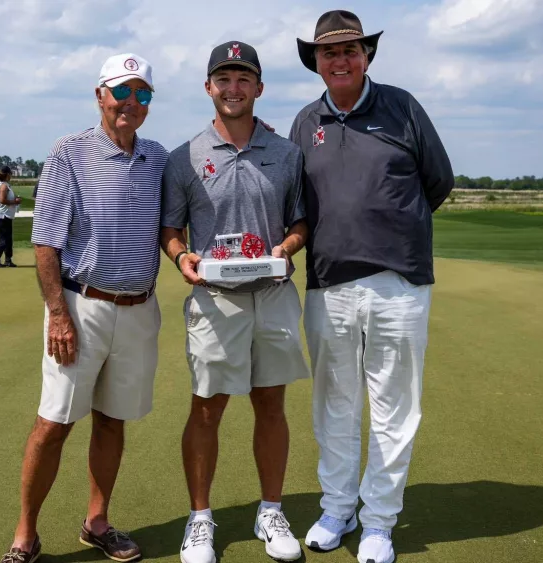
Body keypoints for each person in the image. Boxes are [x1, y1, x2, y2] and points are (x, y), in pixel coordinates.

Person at [288, 10, 455, 563]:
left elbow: (439, 180)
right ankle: (338, 508)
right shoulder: (304, 120)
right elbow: (297, 202)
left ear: (367, 56)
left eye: (350, 50)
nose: (340, 59)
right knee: (335, 405)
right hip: (329, 282)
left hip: (398, 281)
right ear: (316, 61)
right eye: (329, 52)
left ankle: (380, 521)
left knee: (393, 407)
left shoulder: (402, 107)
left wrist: (391, 226)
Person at [0, 53, 168, 563]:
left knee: (113, 420)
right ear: (100, 95)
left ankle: (97, 522)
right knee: (54, 422)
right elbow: (45, 241)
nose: (131, 103)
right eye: (122, 91)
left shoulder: (160, 157)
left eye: (143, 94)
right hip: (81, 304)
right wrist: (57, 313)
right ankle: (25, 535)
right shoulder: (68, 152)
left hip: (139, 308)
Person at [161, 41, 310, 563]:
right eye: (223, 79)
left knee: (271, 403)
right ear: (208, 88)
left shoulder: (288, 154)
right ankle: (200, 520)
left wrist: (286, 248)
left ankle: (271, 510)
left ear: (259, 88)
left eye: (243, 78)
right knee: (207, 408)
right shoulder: (185, 158)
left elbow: (299, 221)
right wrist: (182, 259)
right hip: (215, 298)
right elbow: (171, 229)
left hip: (272, 294)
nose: (233, 88)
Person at [0, 165, 21, 268]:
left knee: (8, 239)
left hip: (6, 216)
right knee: (4, 239)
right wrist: (15, 202)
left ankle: (8, 260)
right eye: (10, 174)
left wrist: (13, 201)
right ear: (7, 175)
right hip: (2, 216)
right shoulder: (3, 186)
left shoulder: (4, 185)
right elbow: (2, 200)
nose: (11, 176)